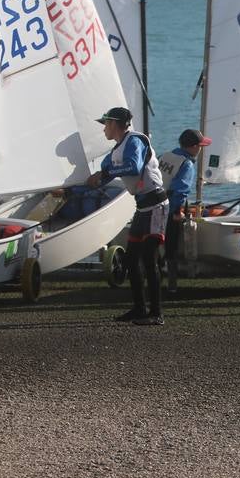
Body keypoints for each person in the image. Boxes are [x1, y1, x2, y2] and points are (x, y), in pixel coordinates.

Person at [87, 107, 168, 325]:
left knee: (149, 261)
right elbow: (103, 177)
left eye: (105, 123)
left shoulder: (135, 141)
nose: (104, 128)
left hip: (156, 205)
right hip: (142, 208)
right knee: (132, 260)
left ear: (114, 124)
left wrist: (103, 174)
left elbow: (133, 167)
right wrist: (74, 186)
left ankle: (156, 313)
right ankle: (140, 309)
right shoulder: (115, 151)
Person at [158, 128, 211, 294]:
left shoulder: (165, 156)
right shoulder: (186, 164)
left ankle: (154, 281)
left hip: (152, 206)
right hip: (168, 209)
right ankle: (172, 286)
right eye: (200, 145)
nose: (201, 149)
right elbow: (179, 191)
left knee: (153, 245)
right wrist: (176, 213)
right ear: (194, 147)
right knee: (171, 248)